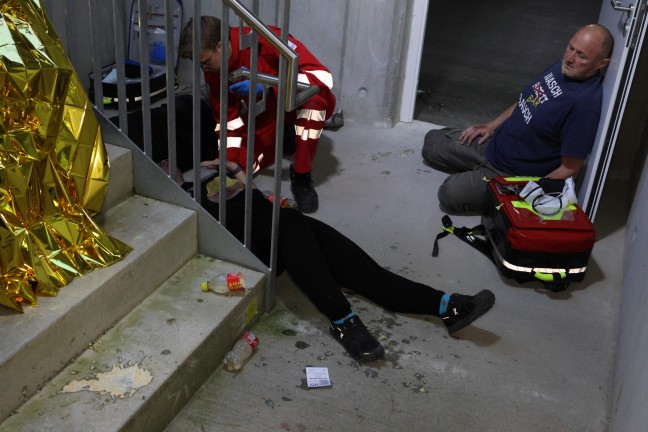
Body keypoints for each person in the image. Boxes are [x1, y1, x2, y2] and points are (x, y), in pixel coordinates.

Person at [199, 162, 496, 362]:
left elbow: (252, 194)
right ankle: (343, 321)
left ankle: (445, 306)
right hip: (254, 250)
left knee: (363, 271)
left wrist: (236, 170)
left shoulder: (226, 180)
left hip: (280, 227)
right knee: (290, 220)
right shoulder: (189, 197)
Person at [422, 24, 614, 213]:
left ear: (601, 63)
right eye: (570, 47)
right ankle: (475, 173)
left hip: (511, 173)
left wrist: (526, 194)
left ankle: (481, 180)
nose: (570, 58)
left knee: (449, 194)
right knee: (431, 144)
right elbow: (527, 100)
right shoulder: (561, 68)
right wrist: (491, 127)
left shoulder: (584, 106)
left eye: (581, 56)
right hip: (494, 144)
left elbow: (569, 168)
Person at [179, 16, 337, 214]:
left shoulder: (267, 39)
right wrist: (227, 161)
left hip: (296, 101)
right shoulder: (213, 69)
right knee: (241, 171)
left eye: (205, 62)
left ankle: (302, 173)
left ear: (219, 45)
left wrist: (268, 84)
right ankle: (286, 134)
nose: (204, 69)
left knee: (315, 103)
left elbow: (322, 78)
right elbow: (228, 119)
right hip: (265, 113)